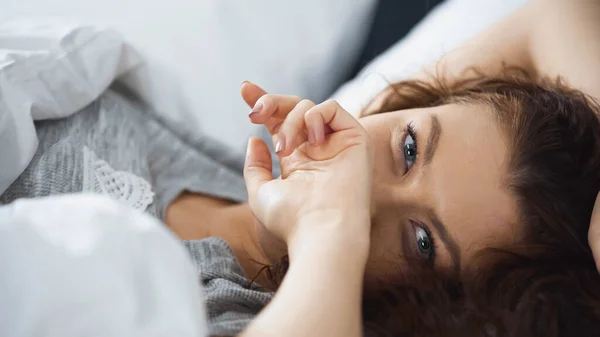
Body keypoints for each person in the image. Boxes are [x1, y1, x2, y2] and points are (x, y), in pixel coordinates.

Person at [1, 0, 600, 336]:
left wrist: (328, 235)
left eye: (422, 242)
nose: (361, 188)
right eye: (410, 149)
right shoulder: (210, 159)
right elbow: (556, 16)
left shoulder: (241, 314)